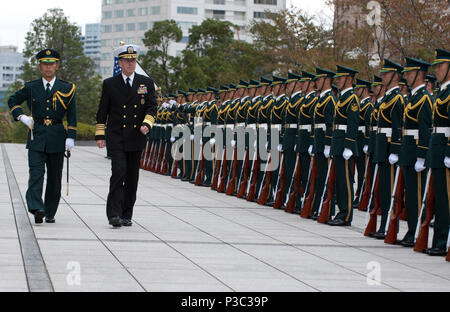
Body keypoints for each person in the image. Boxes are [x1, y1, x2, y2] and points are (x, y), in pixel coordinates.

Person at [8, 49, 76, 224]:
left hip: (57, 135)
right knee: (36, 173)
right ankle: (37, 208)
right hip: (36, 135)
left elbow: (73, 114)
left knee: (54, 177)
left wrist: (71, 137)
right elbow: (13, 100)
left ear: (57, 66)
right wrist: (21, 117)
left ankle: (50, 210)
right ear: (39, 66)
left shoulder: (67, 88)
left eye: (51, 64)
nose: (48, 67)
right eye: (44, 64)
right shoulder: (31, 87)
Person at [95, 44, 157, 228]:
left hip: (136, 136)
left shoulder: (146, 83)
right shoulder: (110, 84)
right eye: (127, 61)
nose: (130, 64)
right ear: (120, 62)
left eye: (133, 60)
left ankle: (126, 213)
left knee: (132, 177)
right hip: (116, 136)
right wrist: (100, 134)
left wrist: (147, 124)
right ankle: (113, 214)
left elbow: (152, 107)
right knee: (118, 173)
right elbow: (102, 111)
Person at [424, 48, 450, 256]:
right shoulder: (441, 92)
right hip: (437, 147)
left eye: (440, 66)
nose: (437, 70)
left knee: (446, 198)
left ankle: (443, 240)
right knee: (439, 197)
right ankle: (439, 240)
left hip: (445, 148)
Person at [328, 65, 360, 226]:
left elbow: (353, 124)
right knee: (340, 179)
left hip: (344, 143)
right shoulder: (342, 97)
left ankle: (346, 214)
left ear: (348, 79)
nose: (338, 81)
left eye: (340, 79)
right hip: (338, 141)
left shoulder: (352, 99)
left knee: (346, 180)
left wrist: (349, 145)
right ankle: (341, 211)